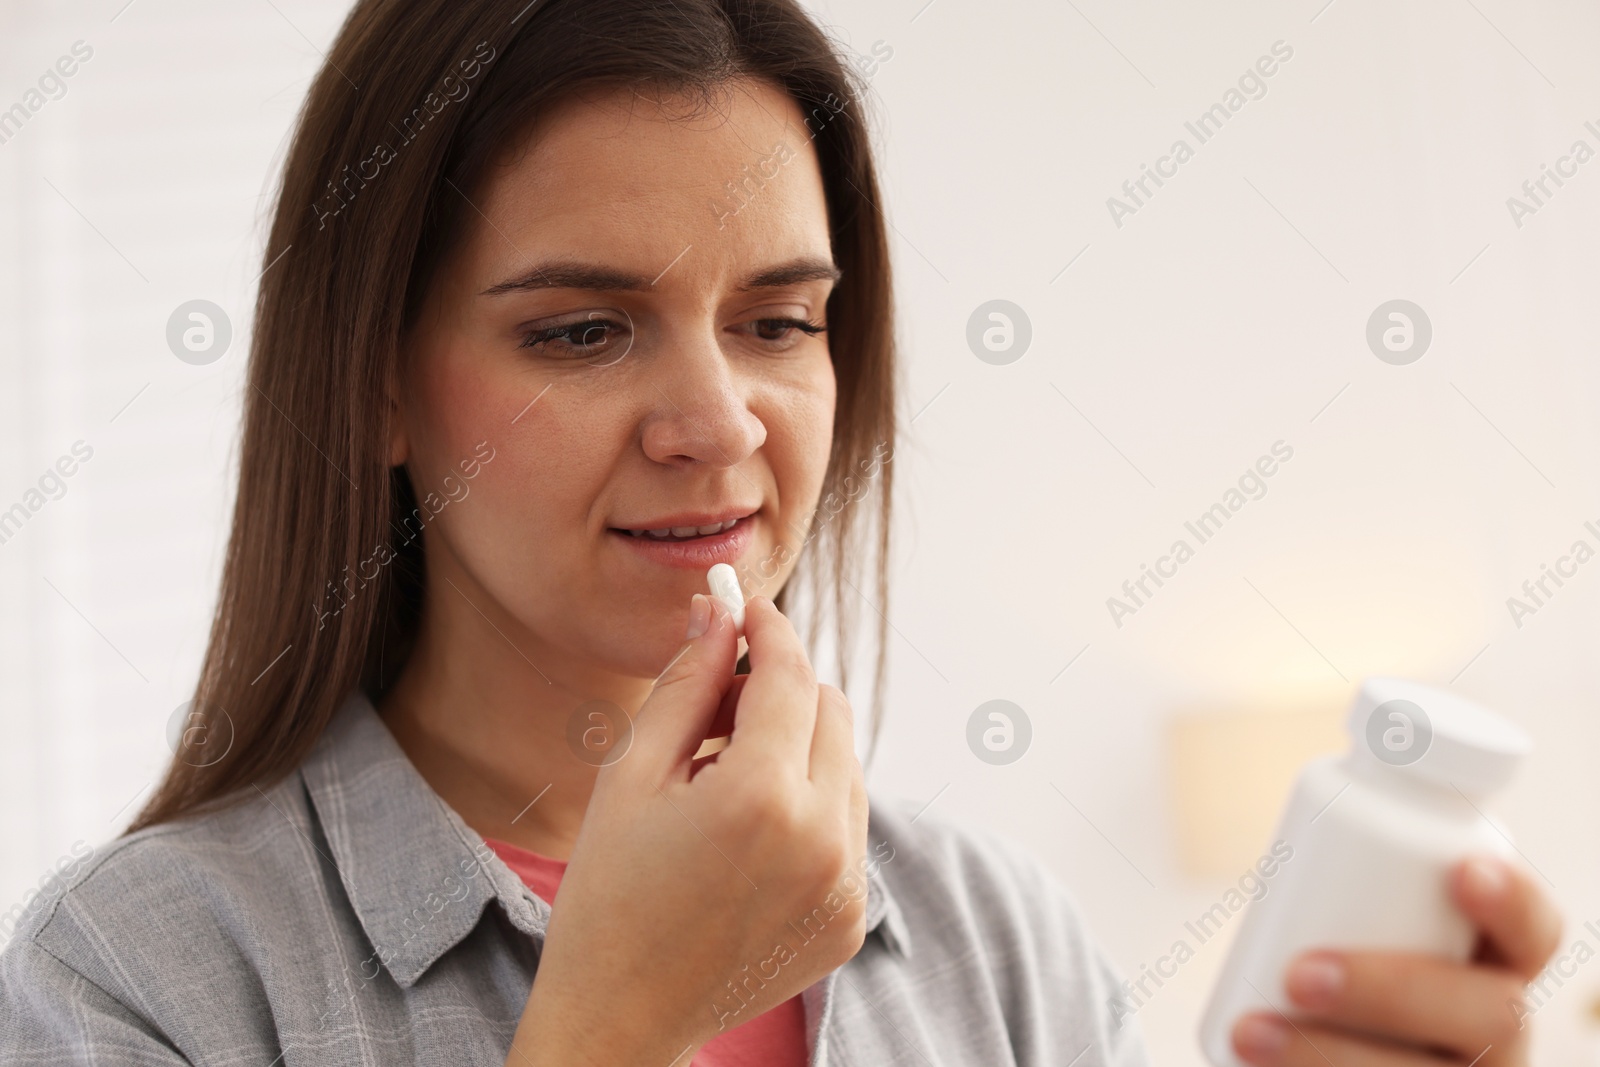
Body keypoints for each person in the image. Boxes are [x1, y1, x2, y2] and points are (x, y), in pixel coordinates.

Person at [0, 1, 1559, 1064]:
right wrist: (617, 1026)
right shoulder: (139, 981)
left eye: (779, 321)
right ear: (377, 389)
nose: (721, 423)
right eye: (583, 333)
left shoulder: (989, 936)